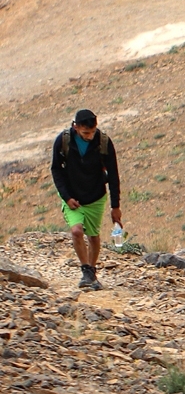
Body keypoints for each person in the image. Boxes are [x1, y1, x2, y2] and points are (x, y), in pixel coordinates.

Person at [50, 109, 121, 290]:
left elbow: (113, 175)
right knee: (76, 231)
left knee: (93, 235)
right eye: (85, 133)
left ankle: (91, 271)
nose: (90, 136)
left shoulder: (103, 142)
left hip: (96, 196)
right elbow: (56, 170)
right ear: (76, 127)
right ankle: (86, 270)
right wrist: (66, 197)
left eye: (92, 131)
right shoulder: (63, 141)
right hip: (72, 197)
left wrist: (115, 206)